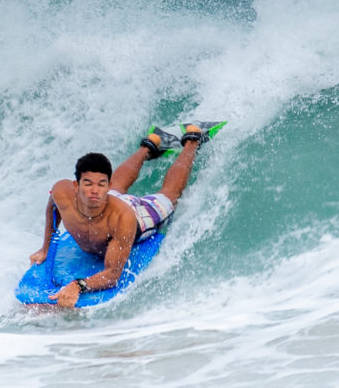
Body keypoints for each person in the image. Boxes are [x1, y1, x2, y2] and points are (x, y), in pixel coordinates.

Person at [29, 123, 210, 308]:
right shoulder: (62, 192)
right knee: (118, 189)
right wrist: (45, 248)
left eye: (101, 184)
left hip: (137, 216)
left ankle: (192, 139)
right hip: (109, 203)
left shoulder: (123, 219)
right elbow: (53, 208)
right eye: (88, 183)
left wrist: (79, 285)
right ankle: (150, 145)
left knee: (169, 196)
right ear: (76, 185)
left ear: (107, 185)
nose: (94, 190)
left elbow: (112, 275)